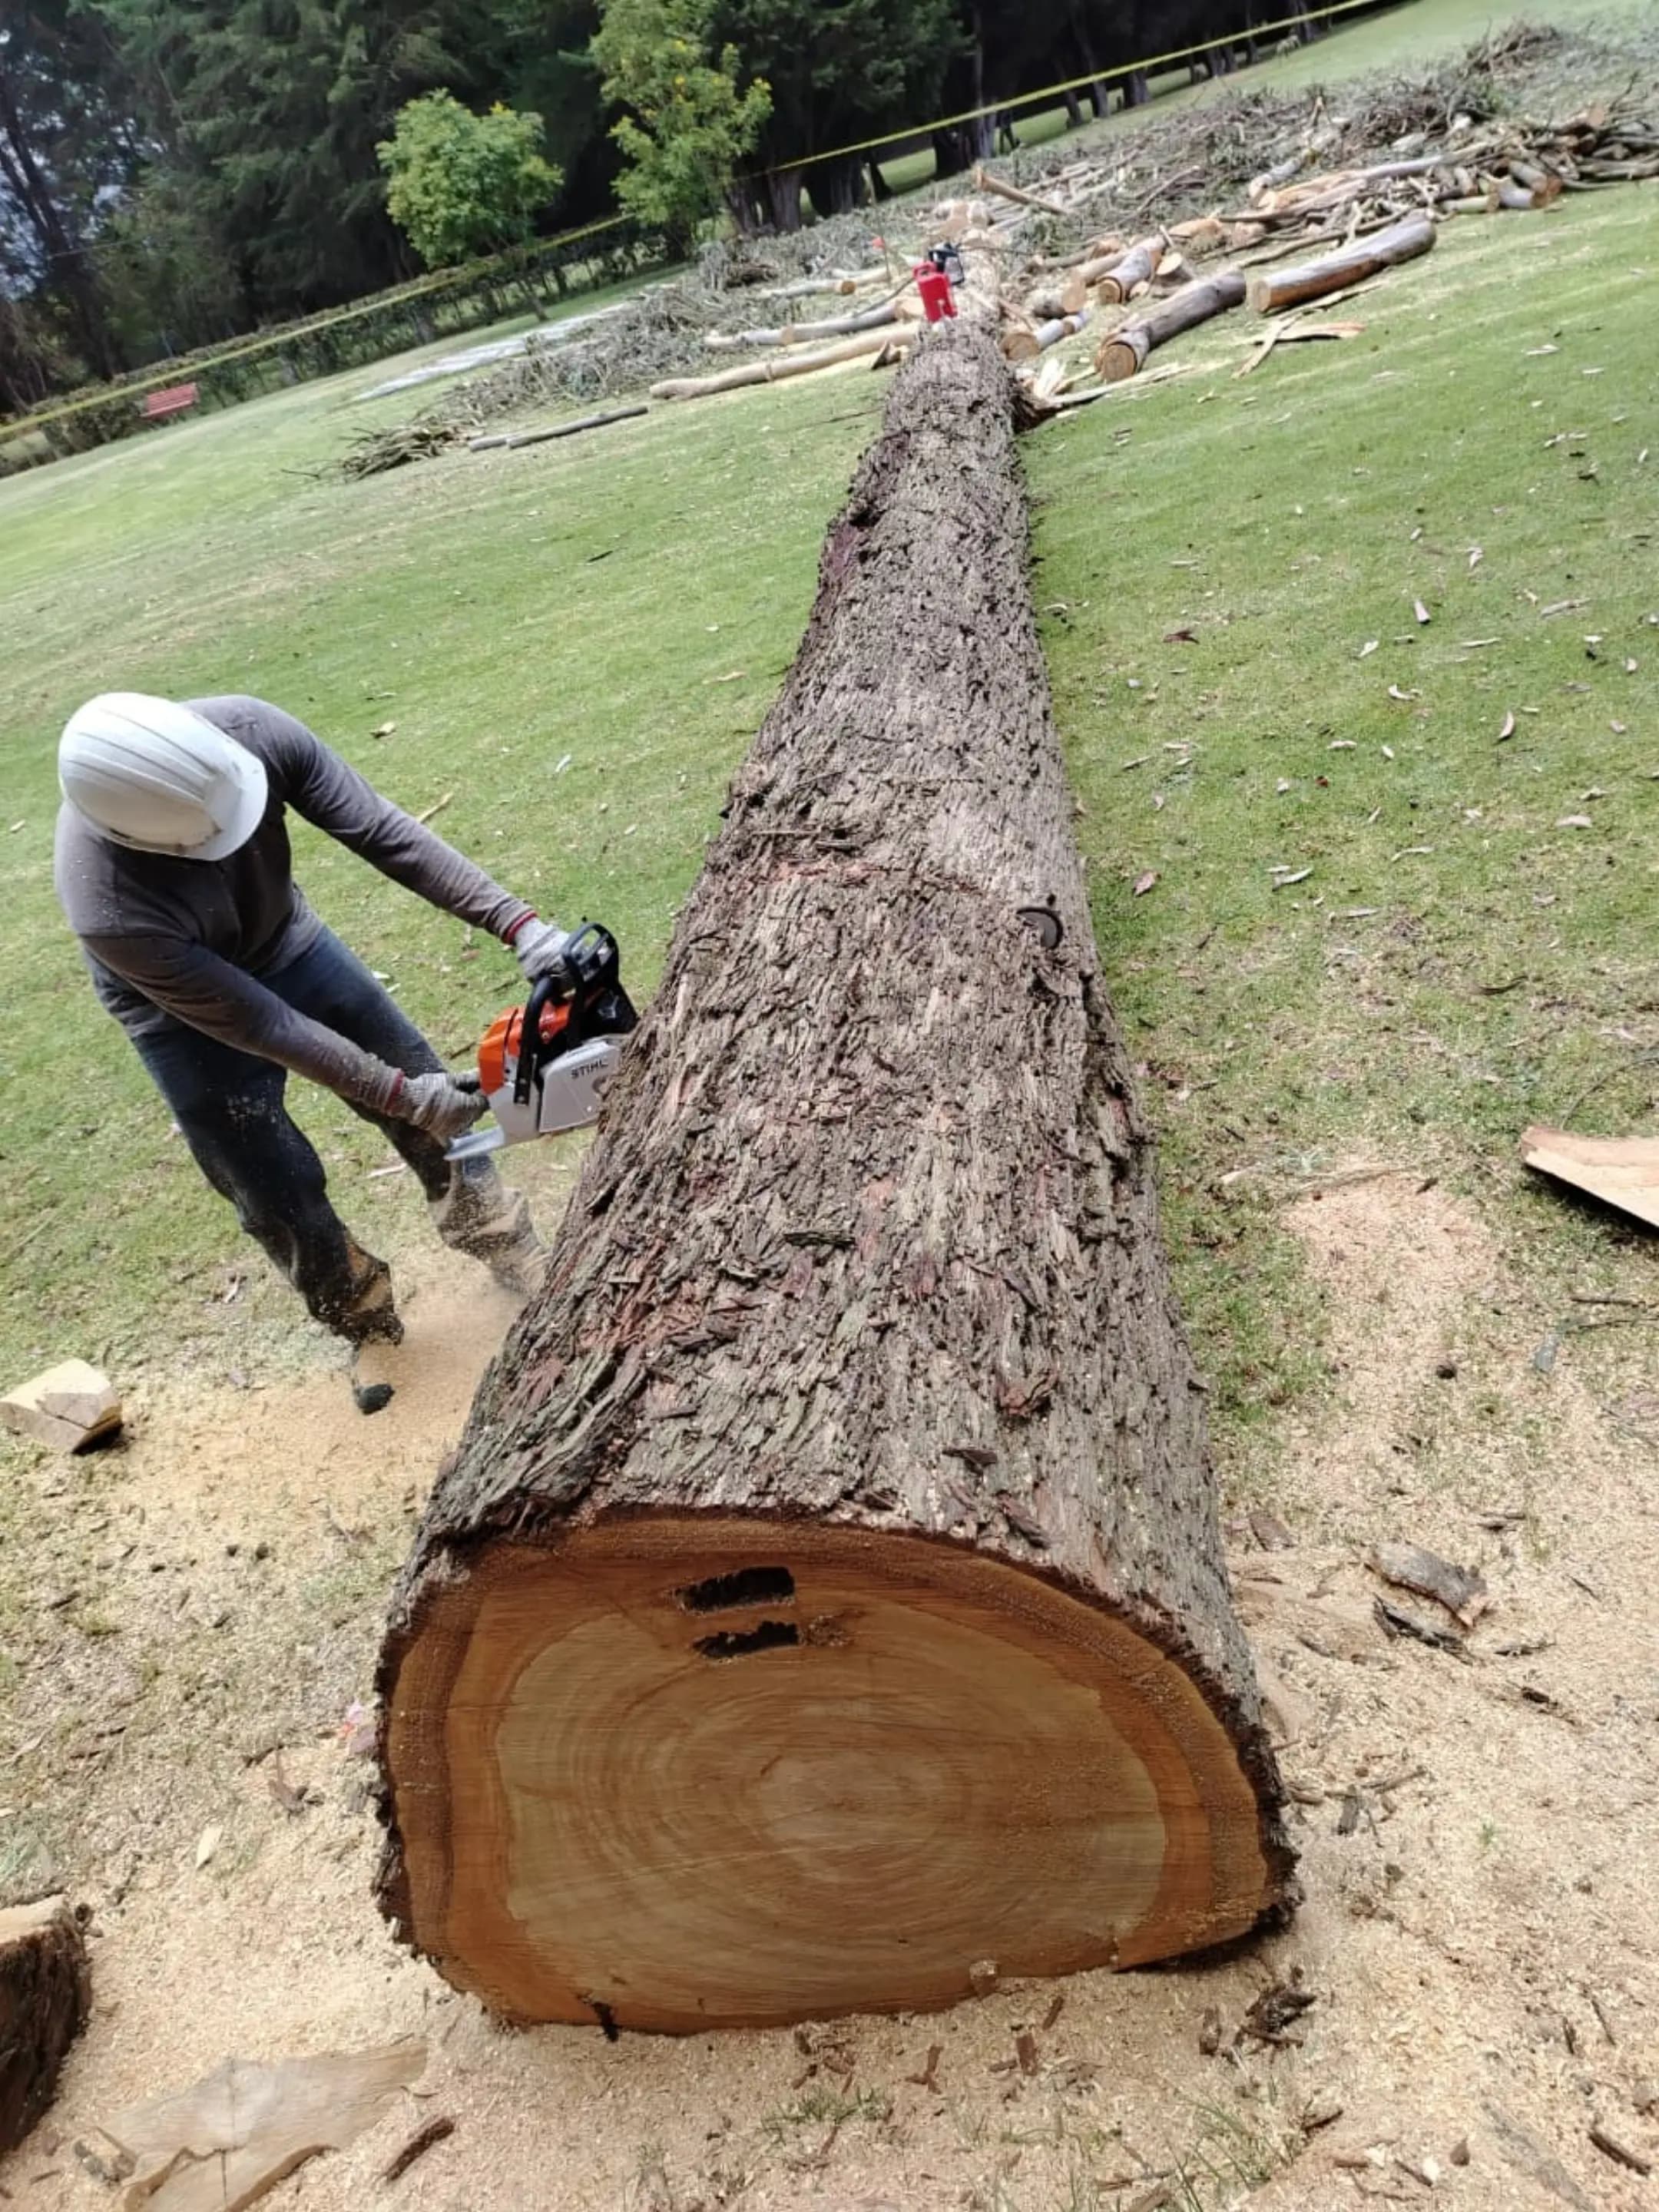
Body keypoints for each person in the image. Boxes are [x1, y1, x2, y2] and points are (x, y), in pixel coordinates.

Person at [53, 690, 574, 1359]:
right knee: (270, 1180)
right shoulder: (109, 906)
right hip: (176, 1011)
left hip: (285, 939)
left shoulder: (252, 731)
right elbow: (265, 1022)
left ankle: (504, 1240)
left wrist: (519, 924)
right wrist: (402, 1097)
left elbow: (383, 833)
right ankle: (362, 1321)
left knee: (424, 1096)